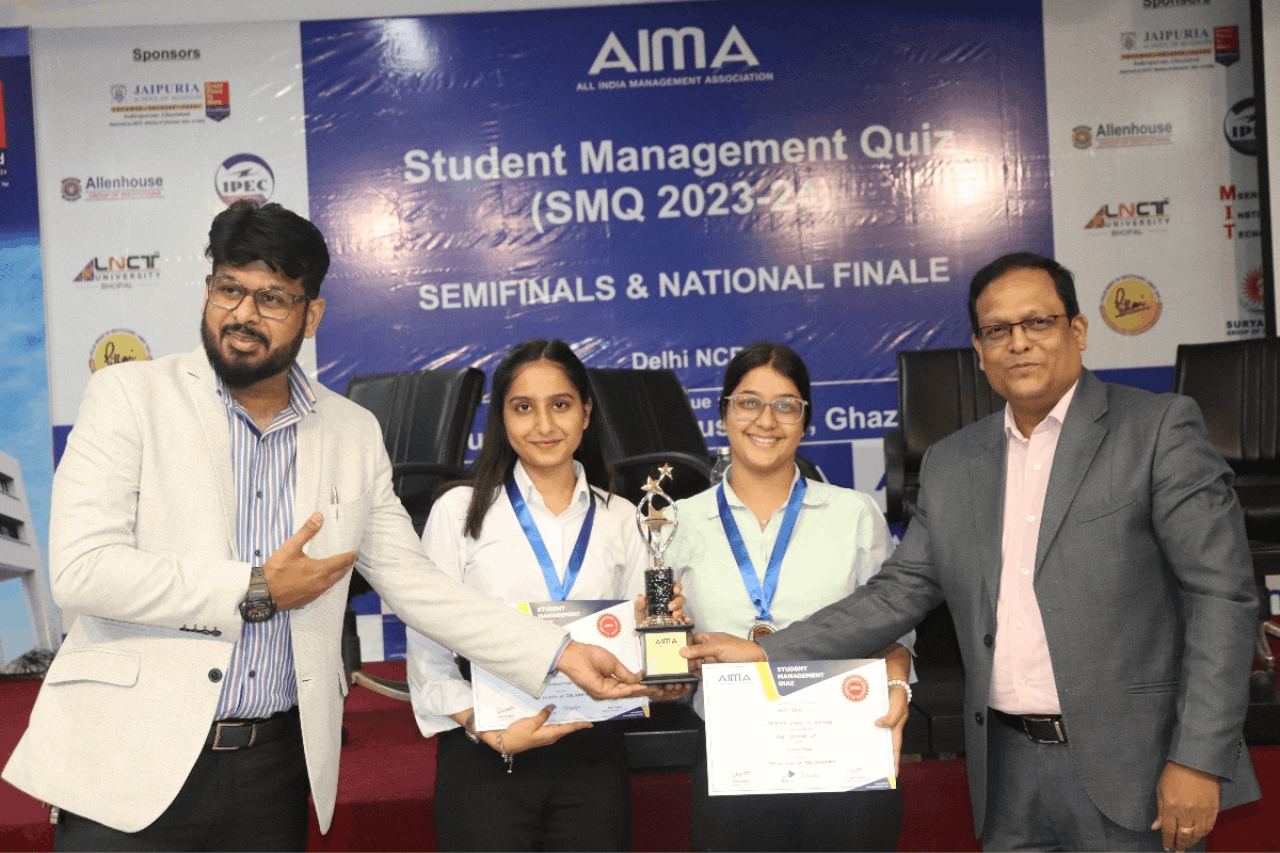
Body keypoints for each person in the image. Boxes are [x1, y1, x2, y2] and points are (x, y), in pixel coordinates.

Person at [1, 201, 648, 852]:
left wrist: (559, 652)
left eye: (272, 298)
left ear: (312, 315)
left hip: (272, 769)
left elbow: (419, 587)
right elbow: (81, 572)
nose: (243, 314)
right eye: (229, 288)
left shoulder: (351, 433)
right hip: (131, 758)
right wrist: (256, 587)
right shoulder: (129, 396)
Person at [684, 253, 1261, 852]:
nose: (1019, 343)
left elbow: (1221, 596)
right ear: (980, 352)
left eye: (1038, 322)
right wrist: (767, 652)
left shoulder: (1157, 429)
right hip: (1006, 776)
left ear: (1078, 330)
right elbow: (898, 592)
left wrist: (1199, 758)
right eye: (997, 330)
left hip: (1135, 768)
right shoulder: (952, 462)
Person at [405, 339, 689, 851]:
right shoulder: (459, 511)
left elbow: (639, 648)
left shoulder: (623, 517)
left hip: (592, 752)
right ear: (502, 418)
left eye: (560, 404)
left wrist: (661, 653)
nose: (543, 425)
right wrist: (484, 728)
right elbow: (429, 651)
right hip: (488, 754)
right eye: (523, 407)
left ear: (586, 412)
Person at [665, 342, 912, 852]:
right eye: (748, 402)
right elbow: (668, 651)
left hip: (846, 752)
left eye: (785, 405)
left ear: (806, 421)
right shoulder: (674, 523)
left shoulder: (855, 514)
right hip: (733, 761)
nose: (766, 420)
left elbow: (893, 625)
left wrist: (897, 686)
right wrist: (668, 650)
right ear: (724, 415)